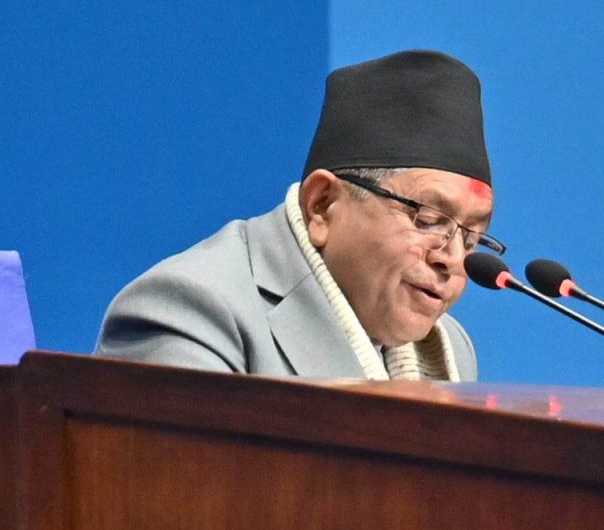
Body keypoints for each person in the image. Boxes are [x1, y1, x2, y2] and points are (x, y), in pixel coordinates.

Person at [95, 49, 502, 381]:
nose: (452, 260)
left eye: (471, 238)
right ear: (322, 205)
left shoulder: (449, 349)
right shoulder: (193, 312)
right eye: (427, 219)